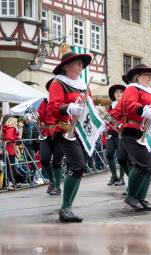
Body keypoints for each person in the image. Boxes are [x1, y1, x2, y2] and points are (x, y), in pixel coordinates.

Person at [47, 52, 93, 222]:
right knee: (77, 164)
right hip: (65, 129)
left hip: (81, 130)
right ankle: (65, 208)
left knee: (79, 167)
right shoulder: (57, 83)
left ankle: (67, 207)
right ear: (66, 66)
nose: (81, 65)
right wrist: (69, 107)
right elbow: (52, 108)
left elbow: (90, 108)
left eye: (82, 63)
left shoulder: (83, 85)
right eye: (77, 63)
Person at [119, 63, 151, 212]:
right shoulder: (132, 88)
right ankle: (131, 196)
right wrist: (143, 110)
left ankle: (141, 198)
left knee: (149, 167)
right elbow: (129, 104)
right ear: (138, 76)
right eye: (146, 75)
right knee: (142, 164)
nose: (150, 77)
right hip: (134, 129)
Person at [38, 79, 63, 196]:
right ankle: (52, 181)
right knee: (44, 159)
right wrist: (40, 123)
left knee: (57, 162)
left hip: (58, 133)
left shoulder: (62, 101)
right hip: (46, 134)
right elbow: (40, 118)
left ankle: (57, 186)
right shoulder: (45, 101)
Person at [104, 84, 125, 187]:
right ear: (113, 94)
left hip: (121, 133)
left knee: (121, 156)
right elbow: (107, 119)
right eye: (116, 92)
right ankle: (114, 176)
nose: (118, 94)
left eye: (121, 92)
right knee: (109, 154)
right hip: (111, 132)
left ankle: (121, 178)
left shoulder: (125, 104)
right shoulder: (110, 106)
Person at [1, 117, 21, 188]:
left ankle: (7, 182)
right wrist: (17, 138)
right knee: (11, 167)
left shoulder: (6, 128)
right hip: (10, 150)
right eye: (16, 122)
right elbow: (9, 137)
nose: (17, 123)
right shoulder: (11, 128)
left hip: (7, 150)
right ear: (13, 122)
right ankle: (9, 183)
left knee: (7, 167)